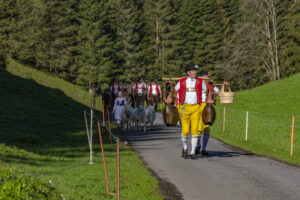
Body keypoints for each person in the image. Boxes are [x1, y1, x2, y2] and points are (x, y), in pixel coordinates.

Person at [166, 64, 205, 160]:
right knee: (185, 131)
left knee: (195, 130)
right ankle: (185, 148)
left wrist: (209, 95)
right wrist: (170, 96)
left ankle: (192, 153)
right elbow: (173, 90)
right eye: (193, 70)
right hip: (185, 108)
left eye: (195, 70)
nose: (195, 72)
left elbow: (207, 91)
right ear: (188, 72)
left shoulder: (201, 81)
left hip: (196, 108)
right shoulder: (182, 81)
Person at [196, 70, 228, 156]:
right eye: (206, 76)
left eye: (208, 76)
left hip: (207, 108)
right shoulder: (197, 84)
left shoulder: (211, 85)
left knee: (206, 128)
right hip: (198, 106)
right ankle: (198, 145)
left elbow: (220, 93)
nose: (208, 78)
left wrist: (223, 86)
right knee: (198, 128)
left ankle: (204, 149)